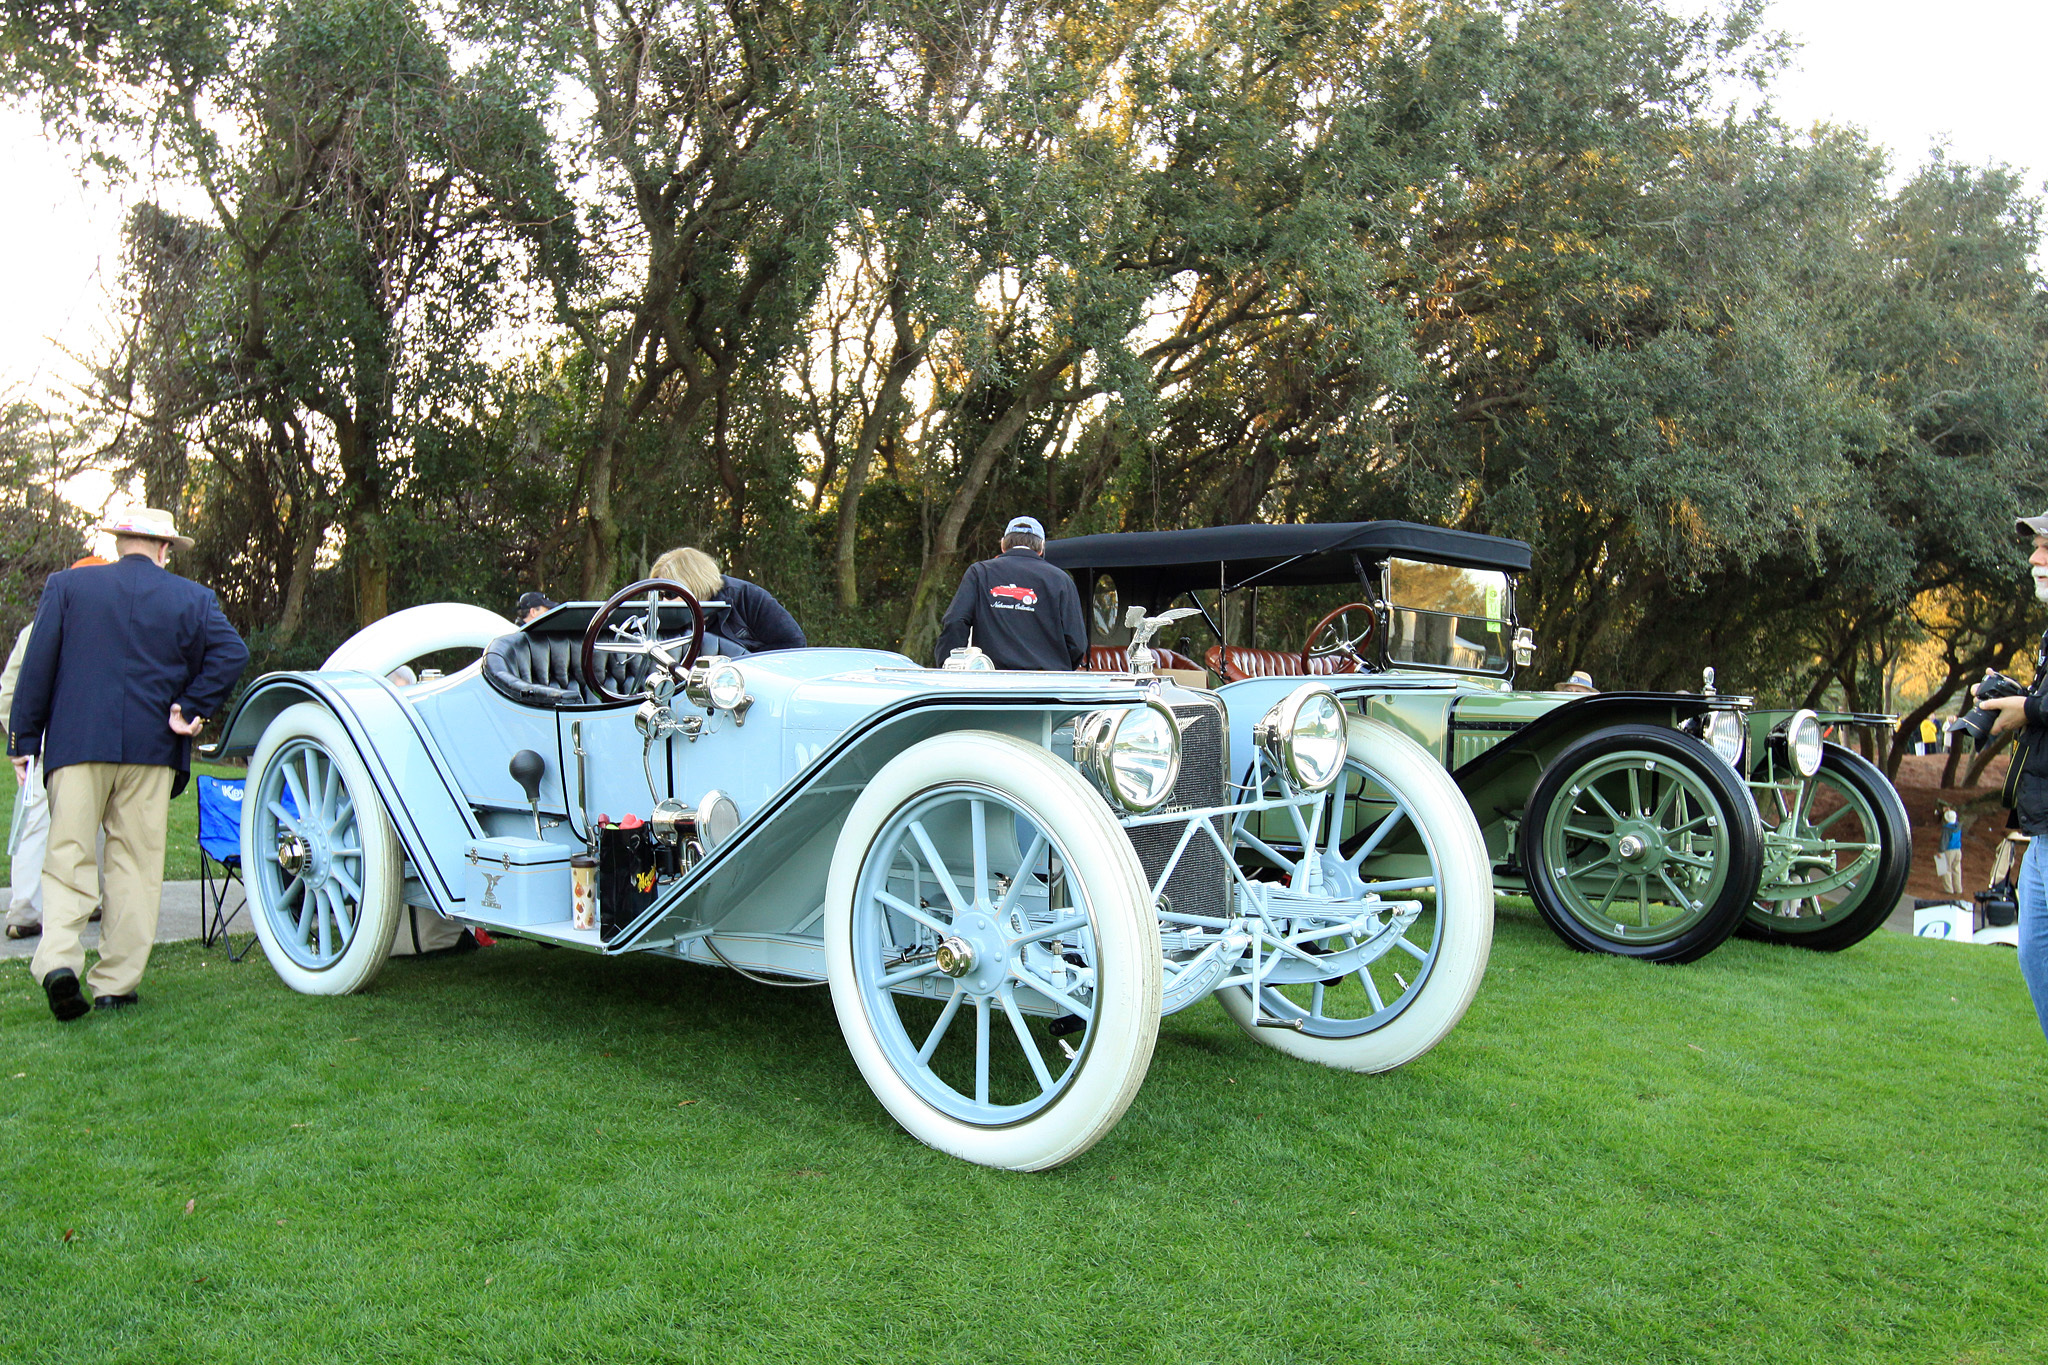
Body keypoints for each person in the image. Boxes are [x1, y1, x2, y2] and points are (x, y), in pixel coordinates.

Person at [10, 509, 248, 1021]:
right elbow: (232, 652)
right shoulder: (194, 599)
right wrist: (192, 706)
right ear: (164, 549)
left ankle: (57, 963)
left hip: (77, 744)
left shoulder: (67, 587)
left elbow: (38, 667)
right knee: (135, 866)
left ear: (119, 542)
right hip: (152, 749)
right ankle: (116, 984)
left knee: (69, 855)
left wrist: (22, 740)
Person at [1, 557, 110, 941]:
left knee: (90, 825)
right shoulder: (37, 631)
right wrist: (24, 741)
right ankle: (26, 911)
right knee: (35, 825)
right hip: (46, 748)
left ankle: (89, 900)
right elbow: (11, 691)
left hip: (86, 746)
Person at [1980, 510, 2048, 1042]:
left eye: (2047, 547)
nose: (2035, 558)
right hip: (2040, 831)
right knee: (2035, 960)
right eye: (2035, 547)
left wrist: (2029, 707)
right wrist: (2017, 696)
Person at [934, 515, 1087, 671]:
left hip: (993, 683)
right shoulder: (1061, 580)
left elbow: (956, 621)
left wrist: (948, 665)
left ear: (1003, 545)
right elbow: (1077, 642)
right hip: (1047, 684)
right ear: (1041, 547)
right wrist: (1060, 668)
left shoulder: (980, 573)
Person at [648, 546, 805, 653]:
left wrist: (741, 665)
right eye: (659, 596)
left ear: (693, 585)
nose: (663, 603)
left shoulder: (746, 597)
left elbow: (793, 643)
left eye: (669, 594)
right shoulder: (662, 619)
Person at [1936, 806, 1963, 896]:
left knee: (1946, 869)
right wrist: (1949, 811)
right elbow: (1952, 820)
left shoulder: (1946, 829)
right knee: (1957, 869)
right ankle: (1958, 889)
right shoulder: (1958, 826)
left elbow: (1944, 841)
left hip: (1949, 851)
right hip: (1958, 850)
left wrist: (1940, 851)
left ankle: (1949, 889)